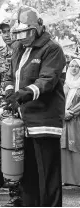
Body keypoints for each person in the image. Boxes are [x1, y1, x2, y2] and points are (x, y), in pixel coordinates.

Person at [6, 6, 66, 206]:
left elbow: (47, 80)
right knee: (28, 172)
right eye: (19, 33)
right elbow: (10, 75)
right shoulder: (18, 49)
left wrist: (24, 93)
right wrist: (8, 92)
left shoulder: (52, 48)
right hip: (24, 122)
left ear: (38, 27)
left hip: (44, 121)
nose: (22, 38)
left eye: (27, 32)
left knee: (47, 174)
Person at [0, 18, 23, 207]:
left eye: (9, 30)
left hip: (27, 107)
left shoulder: (26, 50)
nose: (6, 35)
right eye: (2, 31)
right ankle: (15, 197)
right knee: (10, 150)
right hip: (6, 110)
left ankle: (30, 193)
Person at [61, 58, 80, 186]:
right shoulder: (64, 83)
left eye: (77, 67)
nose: (74, 68)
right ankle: (65, 178)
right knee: (63, 147)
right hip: (63, 120)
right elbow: (58, 100)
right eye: (72, 66)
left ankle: (77, 179)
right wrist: (63, 113)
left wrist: (71, 113)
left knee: (76, 147)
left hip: (76, 120)